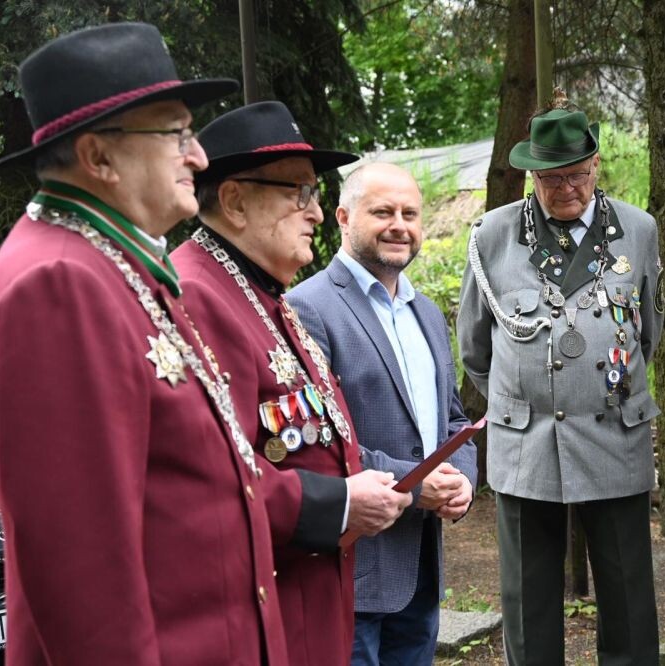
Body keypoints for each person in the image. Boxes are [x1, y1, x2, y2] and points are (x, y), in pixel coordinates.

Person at [0, 23, 290, 664]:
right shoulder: (59, 282)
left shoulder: (113, 263)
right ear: (99, 158)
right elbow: (82, 574)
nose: (200, 157)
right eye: (177, 134)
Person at [170, 102, 413, 665]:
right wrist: (343, 501)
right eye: (299, 192)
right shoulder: (198, 295)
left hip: (307, 594)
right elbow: (215, 479)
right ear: (233, 200)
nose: (318, 213)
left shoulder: (262, 290)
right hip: (266, 607)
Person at [456, 102, 663, 665]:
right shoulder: (493, 234)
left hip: (614, 436)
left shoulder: (637, 229)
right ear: (532, 175)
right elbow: (475, 347)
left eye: (577, 173)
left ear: (596, 166)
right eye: (551, 177)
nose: (566, 187)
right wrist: (530, 394)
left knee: (627, 597)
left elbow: (649, 332)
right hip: (525, 444)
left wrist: (593, 390)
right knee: (528, 601)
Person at [288, 162, 477, 665]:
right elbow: (319, 442)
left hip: (420, 567)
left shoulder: (429, 313)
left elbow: (454, 420)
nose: (400, 225)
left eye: (410, 213)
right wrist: (416, 486)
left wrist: (464, 482)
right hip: (354, 564)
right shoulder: (306, 309)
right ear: (344, 218)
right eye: (383, 212)